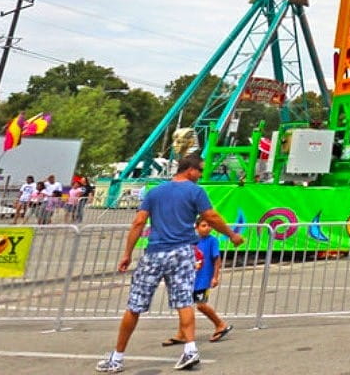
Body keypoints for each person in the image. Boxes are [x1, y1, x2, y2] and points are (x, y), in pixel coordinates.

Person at [96, 152, 244, 374]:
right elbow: (211, 216)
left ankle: (117, 357)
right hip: (183, 252)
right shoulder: (195, 191)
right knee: (184, 302)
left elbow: (139, 222)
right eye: (200, 171)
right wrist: (232, 235)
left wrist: (127, 253)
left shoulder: (154, 192)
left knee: (135, 305)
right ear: (190, 170)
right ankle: (190, 350)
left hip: (155, 252)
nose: (201, 175)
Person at [162, 217, 232, 348]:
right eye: (204, 225)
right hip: (190, 278)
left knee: (201, 305)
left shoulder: (212, 241)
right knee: (184, 306)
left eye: (209, 225)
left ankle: (220, 324)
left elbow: (217, 260)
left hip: (203, 279)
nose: (208, 228)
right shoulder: (191, 241)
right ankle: (181, 334)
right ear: (197, 227)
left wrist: (215, 277)